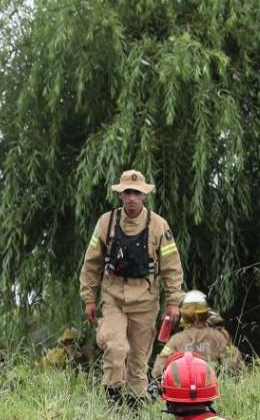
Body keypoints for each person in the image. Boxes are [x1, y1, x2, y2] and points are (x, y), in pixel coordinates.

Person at [79, 169, 185, 406]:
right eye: (127, 192)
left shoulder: (158, 225)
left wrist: (174, 303)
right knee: (116, 349)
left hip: (145, 301)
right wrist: (88, 298)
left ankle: (136, 408)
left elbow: (171, 267)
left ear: (144, 195)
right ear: (120, 195)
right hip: (113, 297)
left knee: (138, 362)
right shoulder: (106, 223)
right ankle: (112, 402)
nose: (132, 198)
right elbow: (91, 262)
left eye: (137, 193)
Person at [151, 290, 244, 381]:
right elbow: (235, 369)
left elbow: (158, 371)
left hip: (182, 391)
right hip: (211, 391)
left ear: (184, 313)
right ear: (206, 311)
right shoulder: (219, 337)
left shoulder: (176, 340)